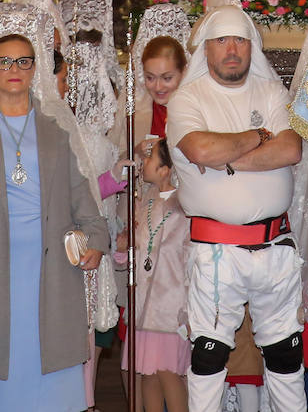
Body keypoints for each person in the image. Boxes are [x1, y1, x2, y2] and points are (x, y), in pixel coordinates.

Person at [0, 3, 110, 412]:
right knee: (0, 367)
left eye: (24, 61)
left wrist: (97, 240)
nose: (14, 68)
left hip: (49, 266)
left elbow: (82, 198)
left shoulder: (55, 132)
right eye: (4, 61)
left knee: (50, 371)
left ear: (35, 70)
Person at [166, 5, 304, 412]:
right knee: (209, 354)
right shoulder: (187, 99)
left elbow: (291, 148)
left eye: (240, 40)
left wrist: (226, 157)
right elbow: (200, 148)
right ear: (206, 49)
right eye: (222, 41)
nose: (232, 49)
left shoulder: (272, 92)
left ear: (252, 47)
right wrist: (260, 138)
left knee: (285, 354)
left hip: (276, 247)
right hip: (216, 252)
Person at [119, 137, 190, 412]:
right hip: (144, 303)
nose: (143, 163)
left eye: (150, 159)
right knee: (147, 374)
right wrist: (125, 248)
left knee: (168, 373)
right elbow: (140, 248)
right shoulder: (144, 202)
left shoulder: (185, 206)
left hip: (171, 305)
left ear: (165, 169)